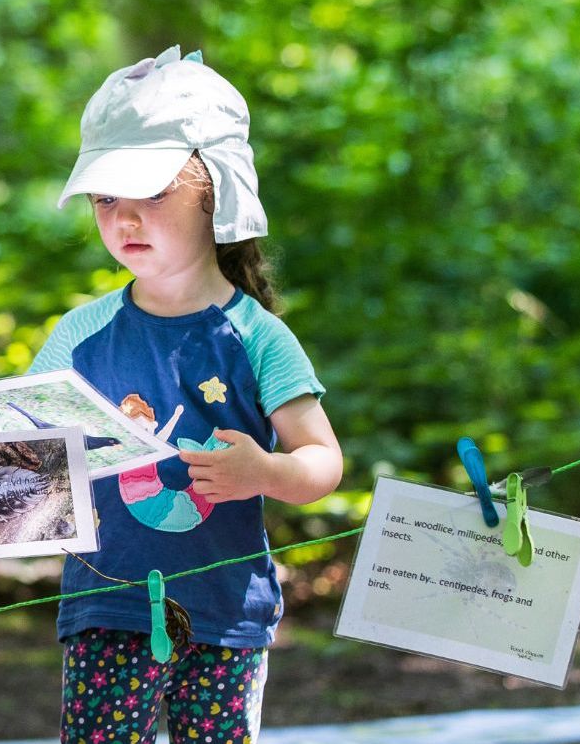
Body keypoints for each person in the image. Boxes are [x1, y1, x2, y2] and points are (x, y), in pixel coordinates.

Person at [30, 47, 345, 744]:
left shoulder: (257, 337)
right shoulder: (80, 335)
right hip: (106, 610)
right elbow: (19, 455)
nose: (123, 219)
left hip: (227, 614)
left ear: (218, 191)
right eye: (106, 199)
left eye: (149, 193)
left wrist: (265, 472)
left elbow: (323, 461)